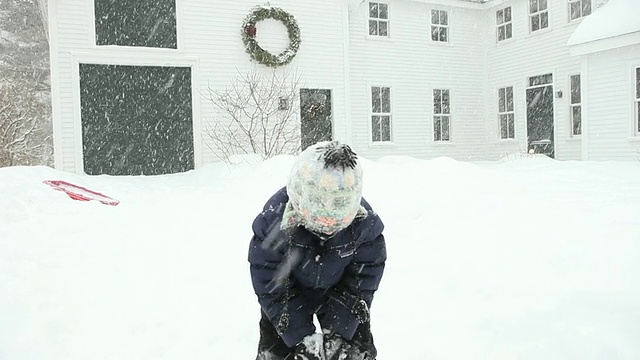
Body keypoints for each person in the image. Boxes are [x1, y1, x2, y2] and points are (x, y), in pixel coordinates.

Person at [248, 141, 387, 360]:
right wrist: (300, 336)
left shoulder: (363, 225)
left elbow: (363, 277)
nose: (328, 221)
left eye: (338, 211)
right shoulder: (275, 223)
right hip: (287, 293)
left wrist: (340, 331)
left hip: (340, 292)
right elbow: (271, 282)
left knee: (354, 352)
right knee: (276, 352)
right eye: (319, 209)